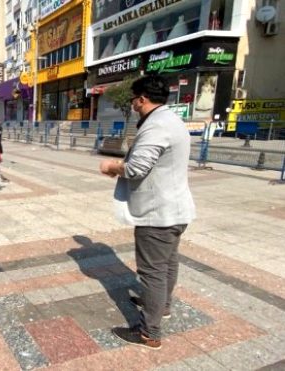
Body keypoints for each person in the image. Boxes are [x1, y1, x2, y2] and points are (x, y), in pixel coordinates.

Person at [99, 75, 196, 350]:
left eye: (133, 99)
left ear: (142, 98)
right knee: (167, 263)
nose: (132, 103)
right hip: (176, 209)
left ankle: (149, 333)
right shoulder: (172, 119)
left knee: (152, 272)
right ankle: (161, 306)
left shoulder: (156, 126)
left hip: (158, 214)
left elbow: (136, 168)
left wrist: (111, 167)